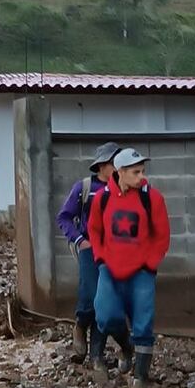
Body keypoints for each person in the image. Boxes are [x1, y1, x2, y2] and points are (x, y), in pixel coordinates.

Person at [86, 147, 170, 388]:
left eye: (143, 171)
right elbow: (95, 230)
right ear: (120, 172)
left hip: (141, 272)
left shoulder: (152, 198)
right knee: (105, 315)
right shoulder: (102, 198)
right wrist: (100, 259)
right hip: (110, 270)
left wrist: (150, 264)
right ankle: (126, 347)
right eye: (135, 172)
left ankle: (140, 377)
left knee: (143, 322)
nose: (141, 177)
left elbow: (162, 236)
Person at [55, 141, 121, 362]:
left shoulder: (123, 190)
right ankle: (80, 324)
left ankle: (97, 355)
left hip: (114, 252)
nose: (118, 168)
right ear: (102, 166)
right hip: (89, 248)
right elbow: (63, 217)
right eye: (114, 163)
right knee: (90, 296)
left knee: (105, 303)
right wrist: (79, 239)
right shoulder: (84, 188)